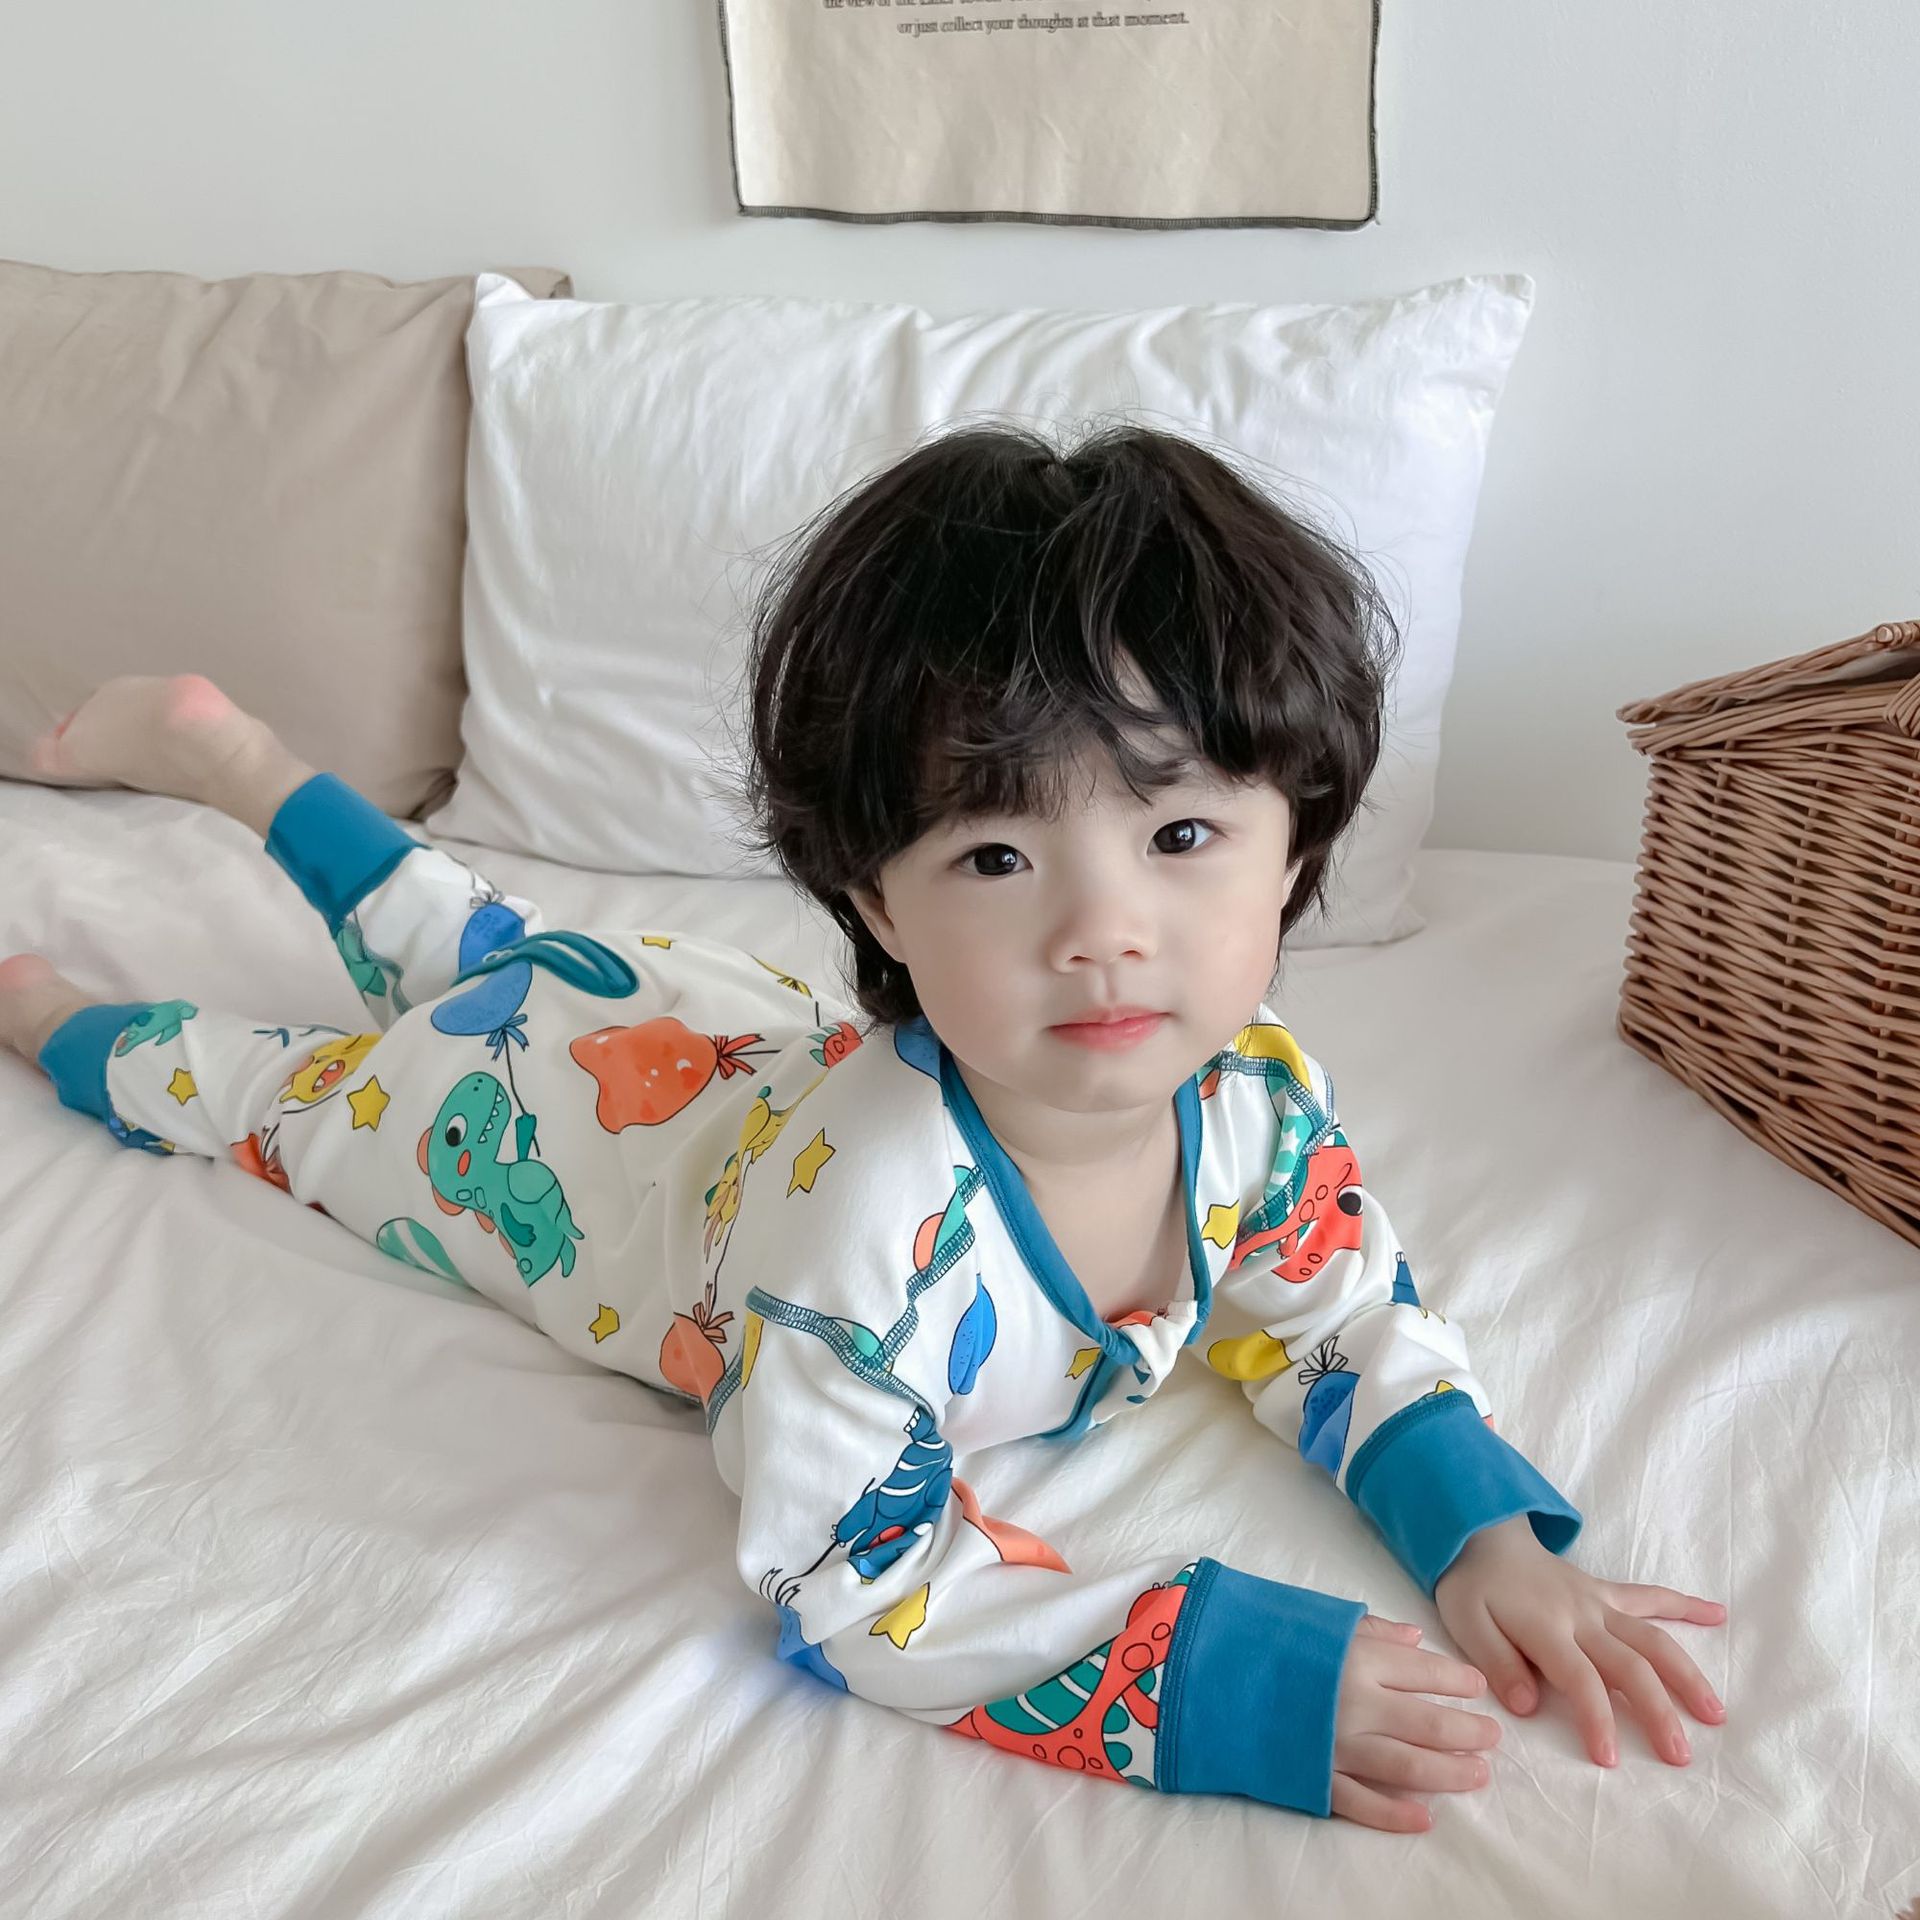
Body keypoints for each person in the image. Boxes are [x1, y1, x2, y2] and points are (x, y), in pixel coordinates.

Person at [0, 422, 1725, 1832]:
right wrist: (1223, 1676)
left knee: (487, 944)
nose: (1102, 930)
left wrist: (1485, 1538)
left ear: (1298, 847)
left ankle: (233, 758)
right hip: (539, 1141)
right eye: (998, 854)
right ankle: (46, 1000)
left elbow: (1334, 1314)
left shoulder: (1256, 1103)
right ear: (878, 902)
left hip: (703, 1037)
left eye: (1182, 835)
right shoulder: (864, 1258)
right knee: (282, 1095)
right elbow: (854, 1585)